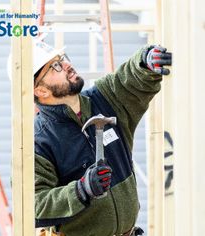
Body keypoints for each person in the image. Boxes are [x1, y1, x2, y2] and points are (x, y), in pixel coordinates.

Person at [34, 40, 172, 236]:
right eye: (55, 66)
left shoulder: (105, 98)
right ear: (41, 90)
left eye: (62, 59)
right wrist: (81, 190)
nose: (66, 65)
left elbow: (129, 80)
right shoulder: (39, 140)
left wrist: (146, 61)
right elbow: (34, 205)